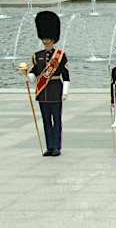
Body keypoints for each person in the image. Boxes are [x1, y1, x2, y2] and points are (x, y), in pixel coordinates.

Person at [28, 11, 70, 157]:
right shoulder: (37, 56)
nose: (46, 40)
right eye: (44, 37)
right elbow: (34, 74)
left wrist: (65, 92)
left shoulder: (60, 56)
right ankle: (49, 146)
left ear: (53, 39)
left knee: (56, 120)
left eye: (48, 37)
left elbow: (66, 76)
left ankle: (57, 146)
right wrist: (27, 76)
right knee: (46, 120)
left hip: (55, 90)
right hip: (43, 93)